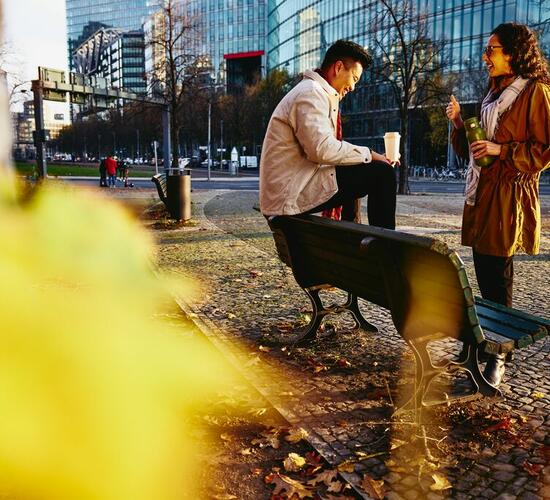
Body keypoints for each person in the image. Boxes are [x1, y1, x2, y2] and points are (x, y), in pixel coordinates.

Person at [446, 23, 550, 386]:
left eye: (492, 50)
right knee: (483, 274)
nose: (485, 57)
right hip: (482, 192)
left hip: (509, 197)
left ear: (514, 52)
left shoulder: (535, 93)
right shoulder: (493, 93)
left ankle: (498, 355)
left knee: (498, 278)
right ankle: (480, 345)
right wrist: (460, 123)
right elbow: (474, 153)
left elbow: (544, 150)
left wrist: (501, 150)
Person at [260, 40, 397, 228]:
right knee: (383, 174)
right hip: (289, 196)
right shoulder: (311, 94)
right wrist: (370, 154)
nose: (353, 87)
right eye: (354, 79)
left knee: (358, 166)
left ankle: (353, 238)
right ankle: (386, 250)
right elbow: (321, 149)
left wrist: (366, 158)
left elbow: (326, 149)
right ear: (339, 67)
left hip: (291, 188)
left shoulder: (315, 93)